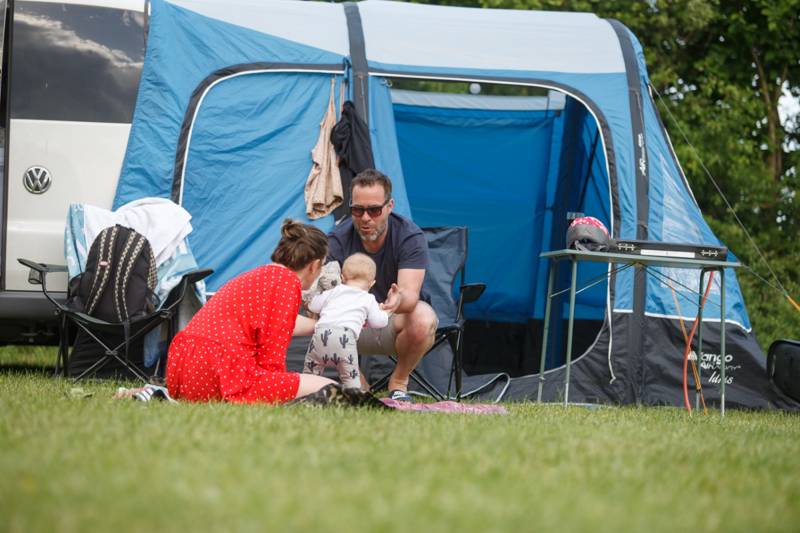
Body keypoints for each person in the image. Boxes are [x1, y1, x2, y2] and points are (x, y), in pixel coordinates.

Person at [165, 219, 336, 403]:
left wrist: (322, 324)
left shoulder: (258, 276)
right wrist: (279, 388)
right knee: (330, 387)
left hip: (185, 370)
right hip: (220, 372)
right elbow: (271, 359)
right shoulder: (287, 283)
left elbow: (281, 323)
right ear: (314, 265)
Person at [327, 169, 438, 402]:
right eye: (357, 210)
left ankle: (398, 383)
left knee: (423, 318)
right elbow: (325, 294)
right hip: (351, 326)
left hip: (391, 322)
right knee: (318, 315)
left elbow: (409, 295)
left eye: (374, 210)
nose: (365, 218)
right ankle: (358, 385)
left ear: (389, 206)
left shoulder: (409, 236)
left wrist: (397, 300)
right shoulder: (337, 238)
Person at [302, 253, 389, 389]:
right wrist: (385, 313)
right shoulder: (369, 299)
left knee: (310, 373)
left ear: (342, 278)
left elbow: (314, 306)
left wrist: (313, 298)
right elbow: (378, 322)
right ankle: (353, 396)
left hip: (321, 335)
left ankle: (305, 393)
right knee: (350, 378)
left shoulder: (334, 291)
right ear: (372, 283)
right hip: (345, 340)